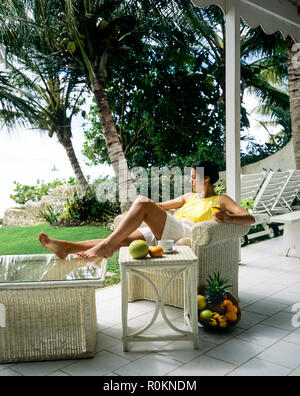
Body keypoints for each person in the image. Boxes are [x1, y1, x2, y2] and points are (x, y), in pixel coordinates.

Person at [38, 161, 255, 260]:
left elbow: (249, 218)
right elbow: (159, 207)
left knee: (141, 203)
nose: (190, 180)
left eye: (193, 176)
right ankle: (66, 247)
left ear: (205, 178)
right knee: (122, 239)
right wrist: (132, 213)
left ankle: (104, 247)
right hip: (170, 229)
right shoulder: (188, 197)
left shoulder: (221, 199)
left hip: (185, 233)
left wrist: (227, 217)